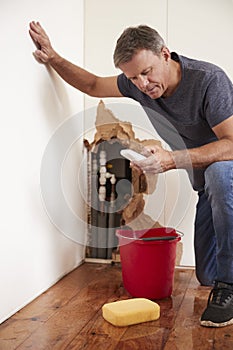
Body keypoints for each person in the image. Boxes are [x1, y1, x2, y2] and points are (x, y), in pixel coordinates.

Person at [29, 21, 233, 328]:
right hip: (207, 187)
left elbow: (231, 145)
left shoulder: (208, 80)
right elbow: (93, 85)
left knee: (218, 174)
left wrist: (172, 159)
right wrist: (53, 57)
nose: (142, 84)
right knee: (207, 275)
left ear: (165, 54)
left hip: (226, 175)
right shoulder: (140, 84)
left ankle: (228, 288)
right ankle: (224, 279)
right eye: (132, 77)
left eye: (147, 71)